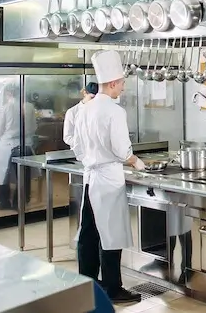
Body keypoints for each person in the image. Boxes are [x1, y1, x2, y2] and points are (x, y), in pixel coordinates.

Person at [71, 50, 144, 304]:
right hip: (109, 179)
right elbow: (122, 150)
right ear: (113, 83)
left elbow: (76, 144)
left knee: (89, 233)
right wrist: (136, 162)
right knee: (110, 234)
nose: (122, 88)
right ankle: (113, 288)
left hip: (90, 177)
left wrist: (90, 159)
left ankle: (87, 284)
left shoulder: (84, 109)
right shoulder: (115, 111)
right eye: (122, 83)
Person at [63, 82, 98, 149]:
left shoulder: (99, 111)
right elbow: (67, 137)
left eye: (97, 99)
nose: (94, 101)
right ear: (85, 93)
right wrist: (84, 143)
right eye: (92, 97)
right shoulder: (72, 112)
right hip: (79, 153)